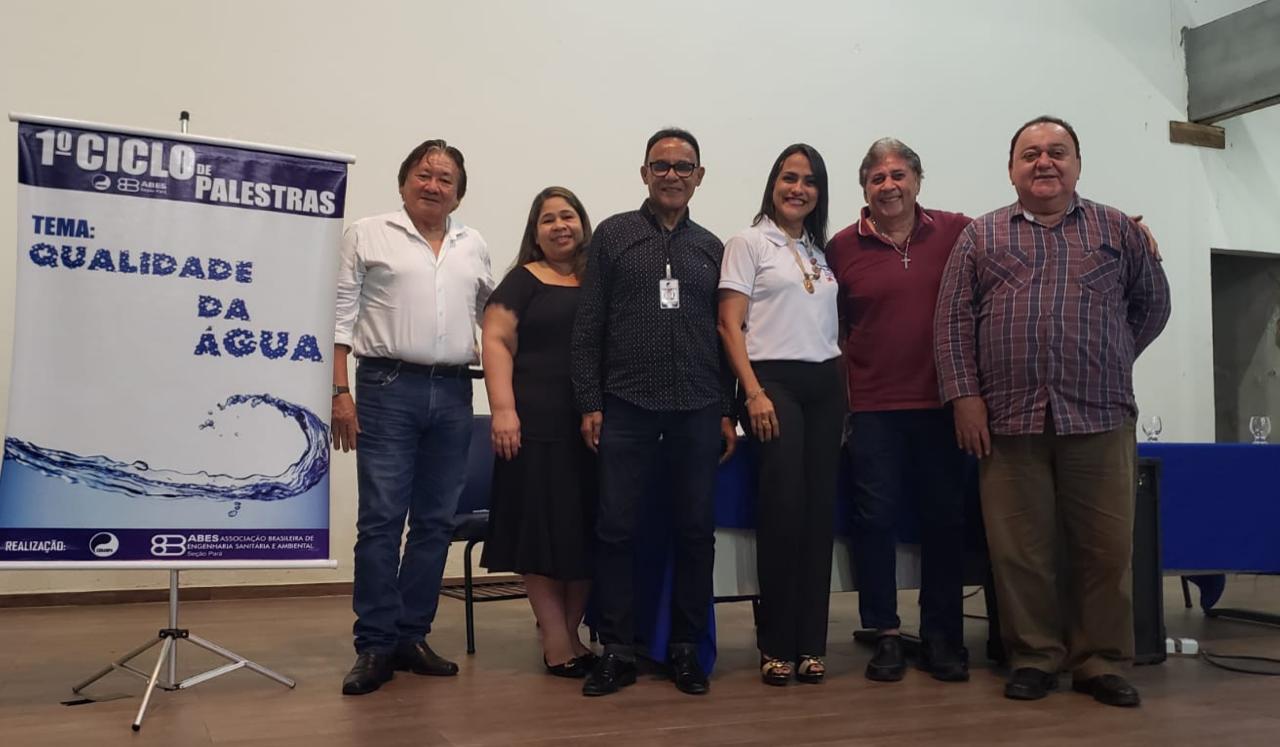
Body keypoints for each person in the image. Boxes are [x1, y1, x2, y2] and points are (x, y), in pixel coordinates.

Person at [934, 116, 1171, 707]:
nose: (1044, 162)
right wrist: (965, 398)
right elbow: (952, 323)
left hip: (1100, 415)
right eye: (1031, 153)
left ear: (1077, 164)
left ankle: (1100, 662)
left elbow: (1153, 305)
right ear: (1011, 169)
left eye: (1057, 152)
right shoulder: (981, 236)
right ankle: (1034, 657)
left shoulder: (1118, 229)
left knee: (1105, 549)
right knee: (1020, 551)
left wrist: (1111, 354)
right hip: (1008, 420)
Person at [571, 127, 737, 697]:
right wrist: (590, 402)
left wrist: (727, 410)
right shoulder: (614, 235)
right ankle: (617, 649)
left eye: (683, 166)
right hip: (627, 405)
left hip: (698, 406)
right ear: (644, 173)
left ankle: (685, 648)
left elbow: (728, 335)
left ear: (699, 176)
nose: (672, 175)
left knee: (695, 531)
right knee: (616, 528)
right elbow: (588, 327)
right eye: (660, 165)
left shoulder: (713, 248)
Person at [332, 139, 494, 696]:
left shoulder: (473, 244)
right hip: (386, 386)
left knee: (435, 521)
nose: (433, 185)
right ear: (404, 182)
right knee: (381, 518)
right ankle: (375, 643)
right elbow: (340, 314)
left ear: (459, 193)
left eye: (446, 179)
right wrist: (339, 391)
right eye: (424, 175)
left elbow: (492, 318)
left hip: (454, 391)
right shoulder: (368, 232)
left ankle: (411, 634)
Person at [825, 138, 974, 683]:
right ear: (864, 188)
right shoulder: (841, 247)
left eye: (898, 175)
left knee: (945, 522)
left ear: (917, 179)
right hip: (871, 411)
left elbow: (1020, 232)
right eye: (877, 178)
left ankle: (942, 637)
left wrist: (1126, 225)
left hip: (942, 406)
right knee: (874, 523)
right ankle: (884, 633)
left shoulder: (958, 232)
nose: (888, 186)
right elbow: (831, 326)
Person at [717, 144, 844, 686]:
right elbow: (729, 324)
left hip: (826, 387)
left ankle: (811, 643)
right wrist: (752, 393)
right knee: (783, 511)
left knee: (818, 516)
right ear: (773, 184)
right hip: (774, 385)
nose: (799, 189)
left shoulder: (818, 251)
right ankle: (776, 644)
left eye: (810, 181)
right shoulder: (748, 243)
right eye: (789, 178)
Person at [480, 186, 599, 678]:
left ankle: (569, 636)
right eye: (547, 219)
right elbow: (495, 340)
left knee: (583, 533)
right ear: (535, 232)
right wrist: (503, 410)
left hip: (591, 428)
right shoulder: (523, 280)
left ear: (582, 223)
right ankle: (555, 641)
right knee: (540, 535)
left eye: (567, 216)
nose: (559, 226)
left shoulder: (598, 280)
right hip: (533, 427)